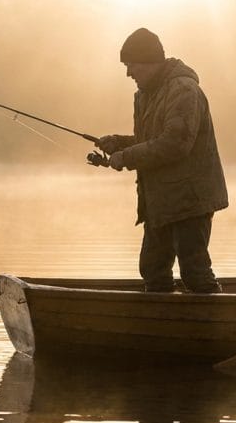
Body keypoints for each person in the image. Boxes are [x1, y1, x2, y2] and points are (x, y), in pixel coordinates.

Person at [96, 28, 228, 293]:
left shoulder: (183, 90)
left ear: (149, 61)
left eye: (131, 65)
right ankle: (167, 327)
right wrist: (120, 143)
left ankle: (214, 327)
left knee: (195, 273)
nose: (128, 73)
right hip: (160, 201)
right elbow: (152, 138)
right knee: (153, 270)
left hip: (190, 200)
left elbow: (175, 144)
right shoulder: (146, 94)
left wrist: (126, 157)